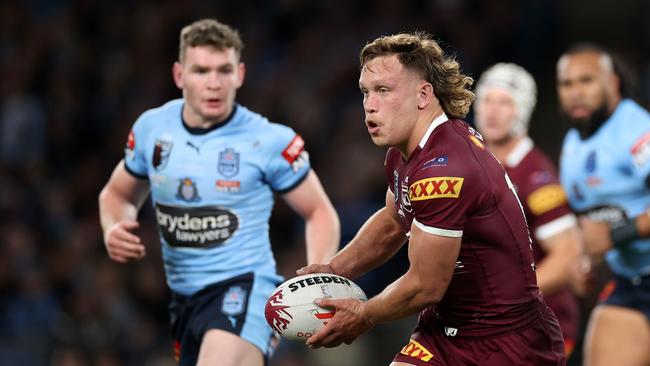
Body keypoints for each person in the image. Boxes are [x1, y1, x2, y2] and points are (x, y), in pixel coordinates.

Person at [298, 32, 565, 365]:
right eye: (366, 92)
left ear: (423, 94)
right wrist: (333, 270)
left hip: (505, 343)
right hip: (444, 329)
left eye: (383, 90)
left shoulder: (446, 169)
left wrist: (363, 314)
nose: (370, 104)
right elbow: (393, 221)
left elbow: (426, 285)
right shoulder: (407, 151)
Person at [98, 18, 340, 366]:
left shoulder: (269, 139)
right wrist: (115, 226)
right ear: (179, 75)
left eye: (224, 70)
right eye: (201, 71)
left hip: (246, 290)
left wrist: (316, 278)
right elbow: (117, 194)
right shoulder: (153, 128)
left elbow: (319, 212)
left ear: (239, 74)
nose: (214, 84)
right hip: (184, 301)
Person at [473, 63, 582, 356]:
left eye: (505, 102)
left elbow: (568, 252)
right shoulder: (473, 162)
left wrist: (507, 300)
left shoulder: (535, 174)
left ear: (522, 110)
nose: (493, 111)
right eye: (487, 100)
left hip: (536, 324)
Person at [556, 43, 650, 366]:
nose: (575, 93)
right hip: (633, 284)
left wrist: (615, 237)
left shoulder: (637, 131)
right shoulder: (572, 147)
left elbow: (610, 232)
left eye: (587, 81)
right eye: (567, 84)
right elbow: (592, 222)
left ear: (612, 83)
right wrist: (588, 263)